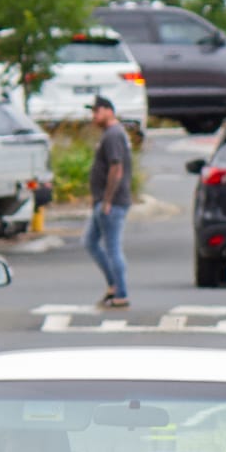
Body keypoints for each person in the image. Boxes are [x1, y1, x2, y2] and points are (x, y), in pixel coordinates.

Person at [84, 95, 131, 309]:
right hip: (103, 201)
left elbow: (116, 168)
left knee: (112, 248)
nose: (94, 116)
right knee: (90, 241)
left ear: (109, 111)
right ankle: (113, 284)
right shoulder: (111, 134)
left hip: (112, 202)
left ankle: (120, 292)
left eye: (97, 111)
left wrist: (107, 200)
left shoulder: (113, 135)